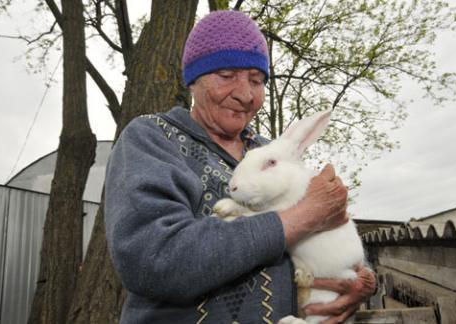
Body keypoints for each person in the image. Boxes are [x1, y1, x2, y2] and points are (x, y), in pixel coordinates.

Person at [105, 10, 376, 324]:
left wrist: (360, 282)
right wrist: (303, 216)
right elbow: (153, 259)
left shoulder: (268, 153)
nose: (245, 94)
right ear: (194, 79)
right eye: (226, 75)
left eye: (256, 80)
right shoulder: (153, 138)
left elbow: (331, 239)